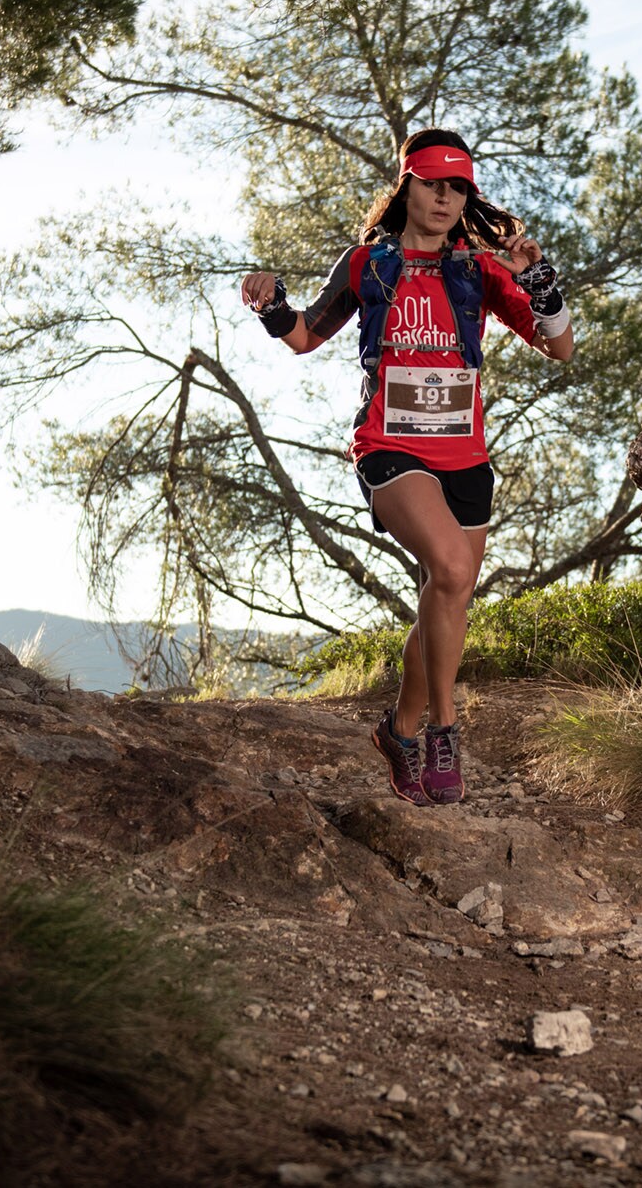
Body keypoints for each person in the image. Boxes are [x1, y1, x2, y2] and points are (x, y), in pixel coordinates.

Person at [239, 129, 575, 805]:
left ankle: (399, 728)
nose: (446, 198)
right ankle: (445, 733)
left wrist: (539, 280)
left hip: (466, 455)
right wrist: (272, 303)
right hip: (389, 446)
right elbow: (305, 335)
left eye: (458, 188)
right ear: (408, 188)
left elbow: (559, 347)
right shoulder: (367, 264)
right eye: (433, 184)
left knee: (444, 599)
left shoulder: (481, 272)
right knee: (451, 568)